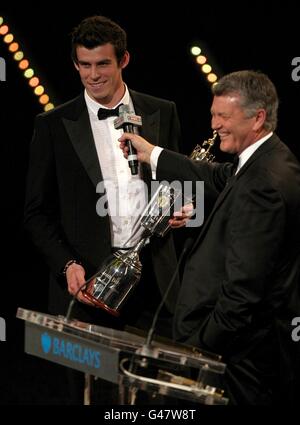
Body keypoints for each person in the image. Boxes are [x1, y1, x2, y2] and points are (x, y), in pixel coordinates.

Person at [24, 15, 188, 404]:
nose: (93, 75)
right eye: (84, 65)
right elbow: (35, 213)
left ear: (124, 61)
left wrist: (184, 211)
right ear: (75, 64)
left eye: (102, 64)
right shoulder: (53, 125)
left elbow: (180, 188)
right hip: (88, 291)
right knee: (90, 397)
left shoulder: (163, 111)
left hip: (154, 285)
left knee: (152, 401)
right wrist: (67, 265)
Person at [119, 70, 300, 405]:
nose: (214, 125)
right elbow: (219, 175)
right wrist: (152, 153)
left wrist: (195, 350)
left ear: (257, 117)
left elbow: (242, 295)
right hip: (241, 352)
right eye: (213, 114)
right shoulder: (266, 160)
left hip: (240, 360)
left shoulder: (264, 182)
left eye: (223, 116)